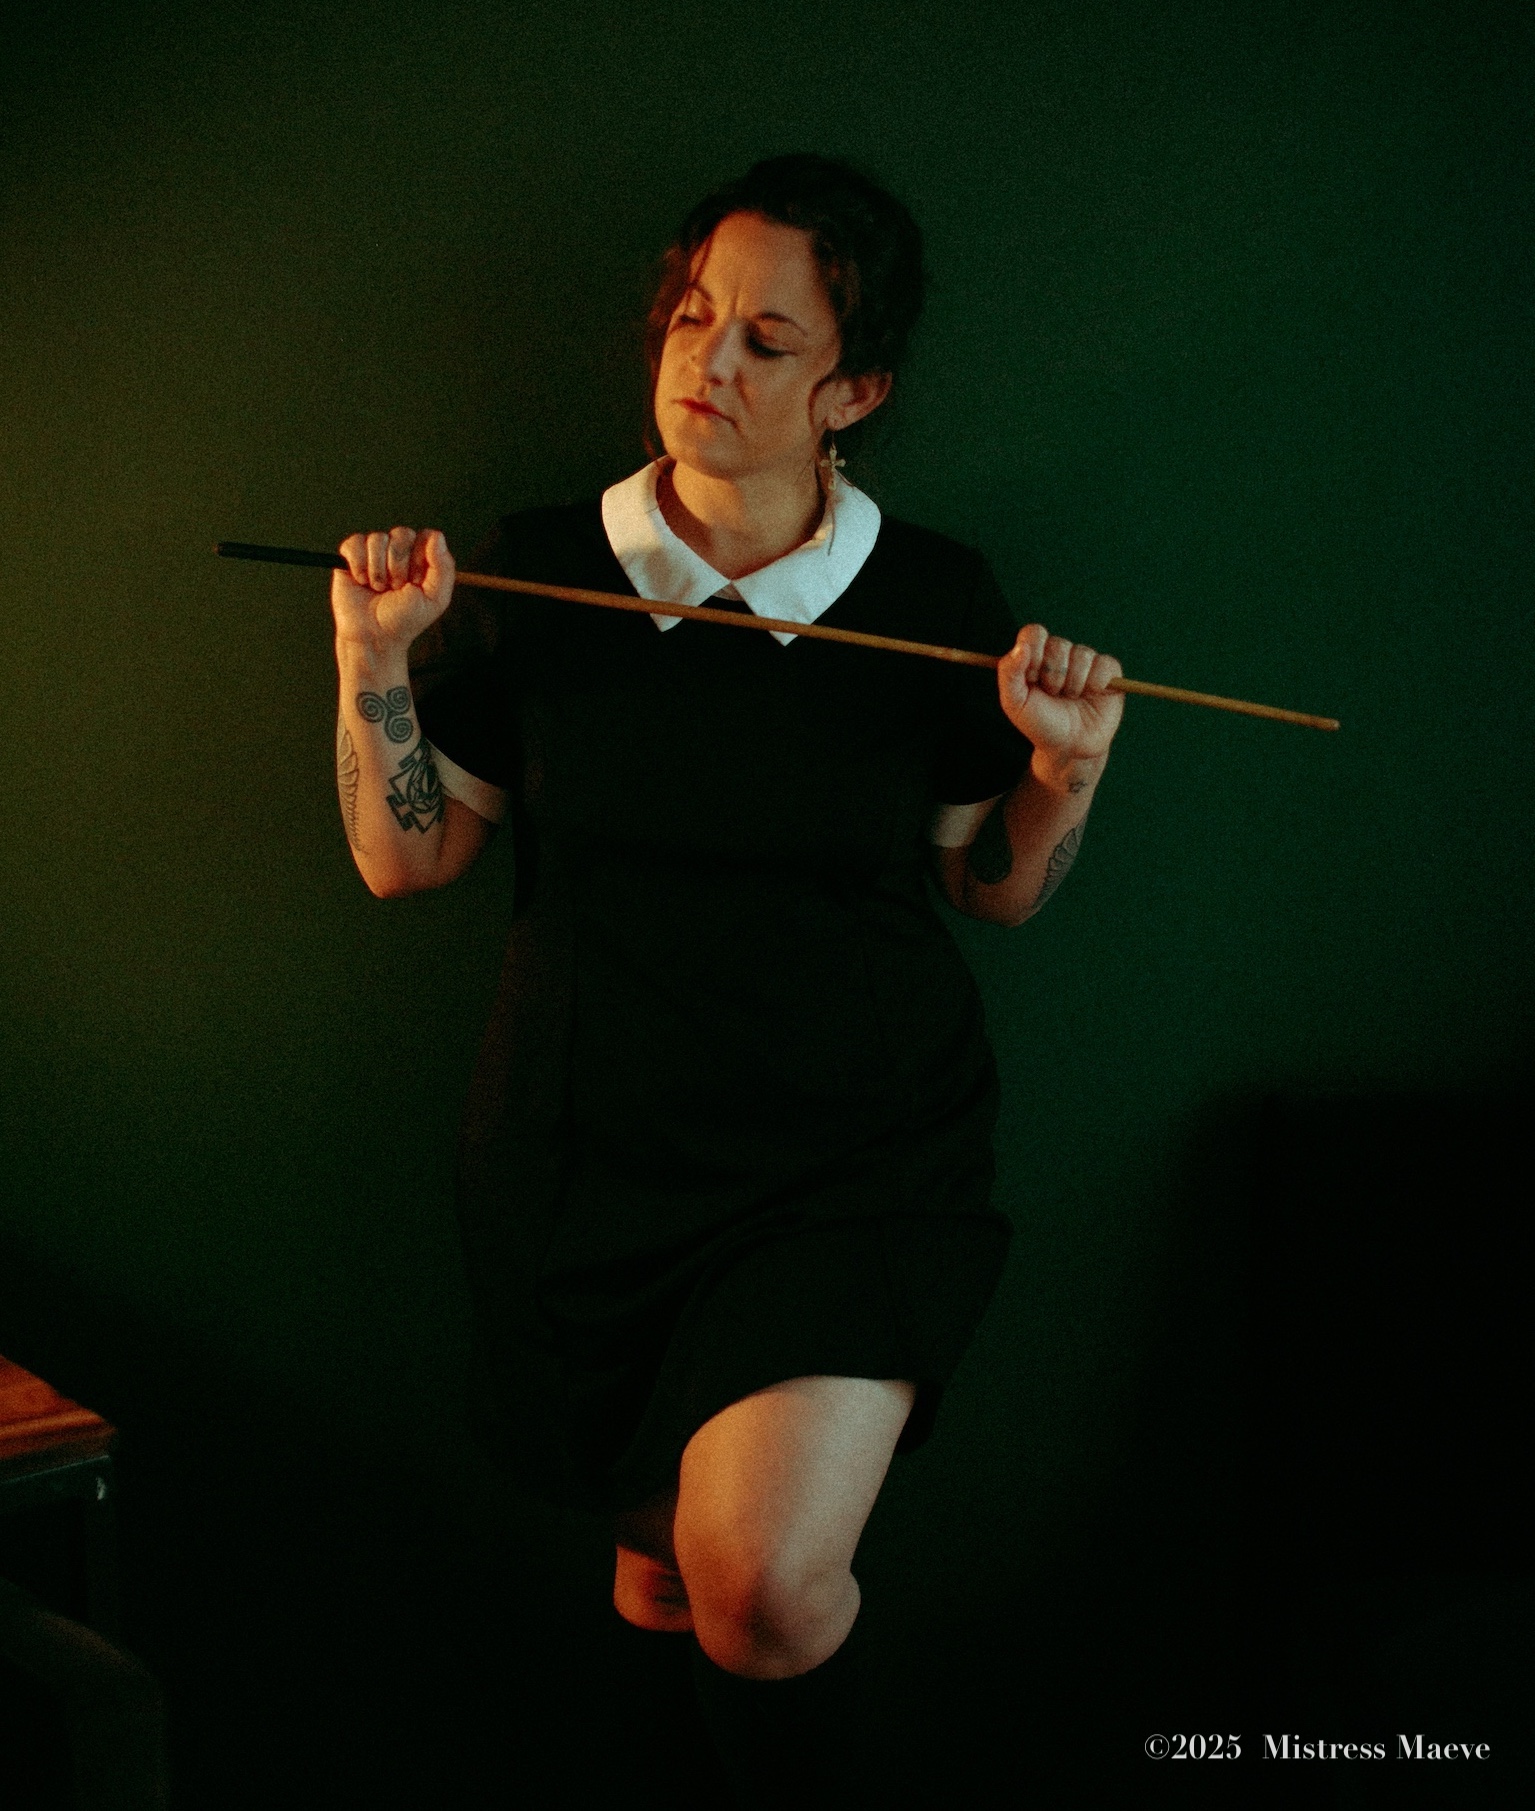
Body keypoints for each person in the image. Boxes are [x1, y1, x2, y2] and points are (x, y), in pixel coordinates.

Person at [329, 154, 1124, 1804]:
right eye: (696, 320)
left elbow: (995, 889)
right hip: (588, 1163)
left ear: (856, 390)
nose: (710, 364)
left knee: (759, 1587)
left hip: (852, 1163)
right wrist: (373, 664)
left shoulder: (932, 598)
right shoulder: (548, 565)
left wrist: (1069, 771)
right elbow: (407, 859)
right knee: (663, 1580)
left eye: (771, 341)